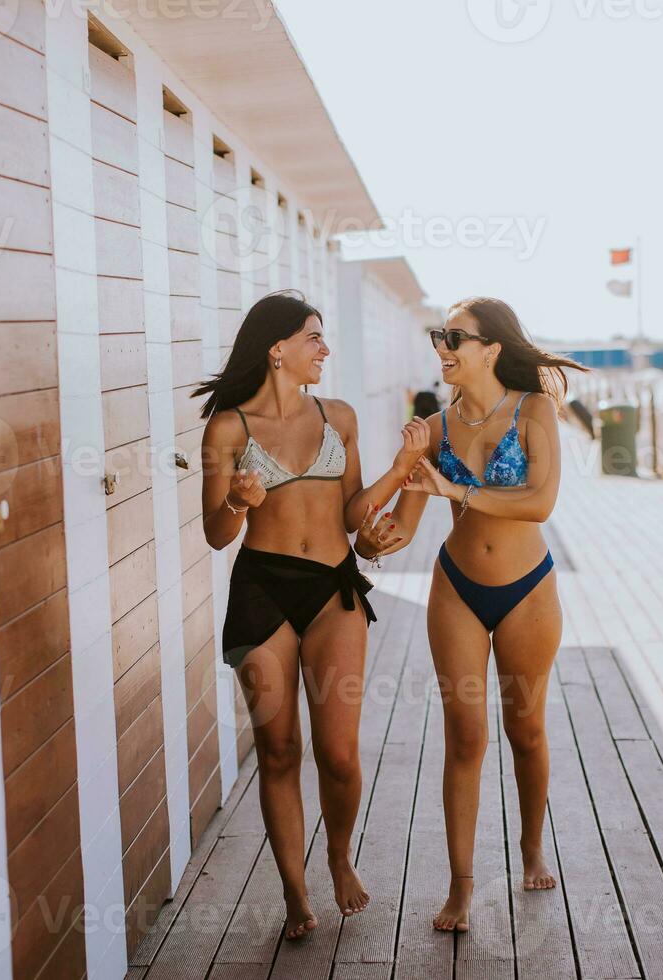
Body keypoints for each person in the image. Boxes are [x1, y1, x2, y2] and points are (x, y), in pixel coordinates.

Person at [194, 290, 422, 939]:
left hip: (332, 590)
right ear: (278, 348)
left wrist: (403, 469)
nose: (325, 349)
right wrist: (238, 501)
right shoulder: (228, 428)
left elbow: (352, 515)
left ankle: (338, 856)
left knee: (340, 753)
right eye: (314, 337)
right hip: (261, 589)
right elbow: (215, 534)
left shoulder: (339, 416)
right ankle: (296, 893)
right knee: (279, 749)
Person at [367, 296, 587, 932]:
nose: (442, 346)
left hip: (527, 589)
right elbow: (405, 524)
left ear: (490, 349)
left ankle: (531, 848)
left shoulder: (534, 411)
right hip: (457, 587)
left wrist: (454, 489)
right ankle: (462, 887)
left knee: (527, 732)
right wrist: (378, 538)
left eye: (453, 337)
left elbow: (539, 502)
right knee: (465, 735)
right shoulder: (433, 429)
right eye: (439, 335)